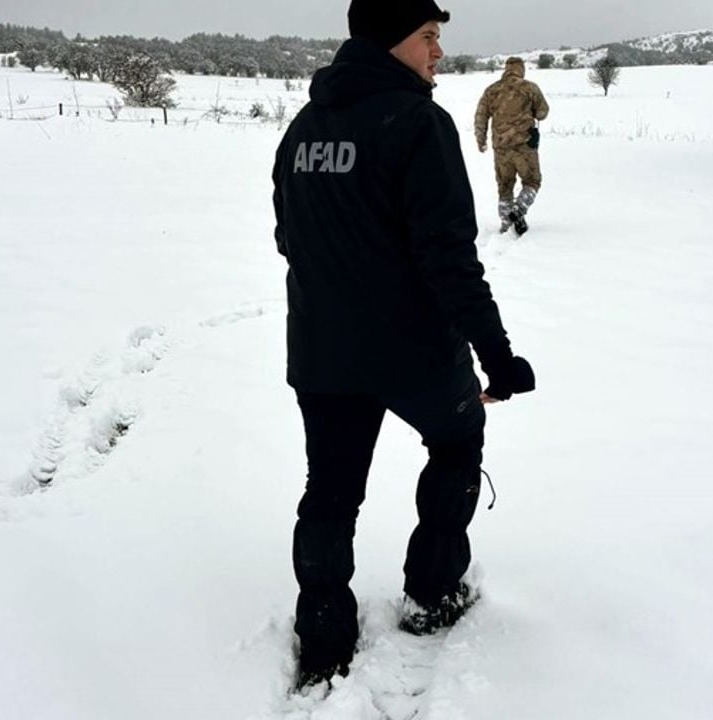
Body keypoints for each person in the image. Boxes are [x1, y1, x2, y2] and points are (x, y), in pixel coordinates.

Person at [271, 0, 536, 691]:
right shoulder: (419, 123)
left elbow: (287, 237)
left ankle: (324, 638)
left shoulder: (304, 128)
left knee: (329, 491)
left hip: (324, 351)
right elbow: (449, 256)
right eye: (428, 37)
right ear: (392, 43)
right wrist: (497, 357)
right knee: (456, 440)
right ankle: (433, 593)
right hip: (413, 353)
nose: (438, 52)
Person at [474, 57, 549, 235]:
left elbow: (481, 116)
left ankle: (506, 223)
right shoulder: (530, 88)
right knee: (532, 181)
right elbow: (542, 112)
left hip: (500, 147)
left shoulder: (491, 90)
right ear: (521, 69)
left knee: (504, 185)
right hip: (525, 146)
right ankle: (519, 209)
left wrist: (481, 139)